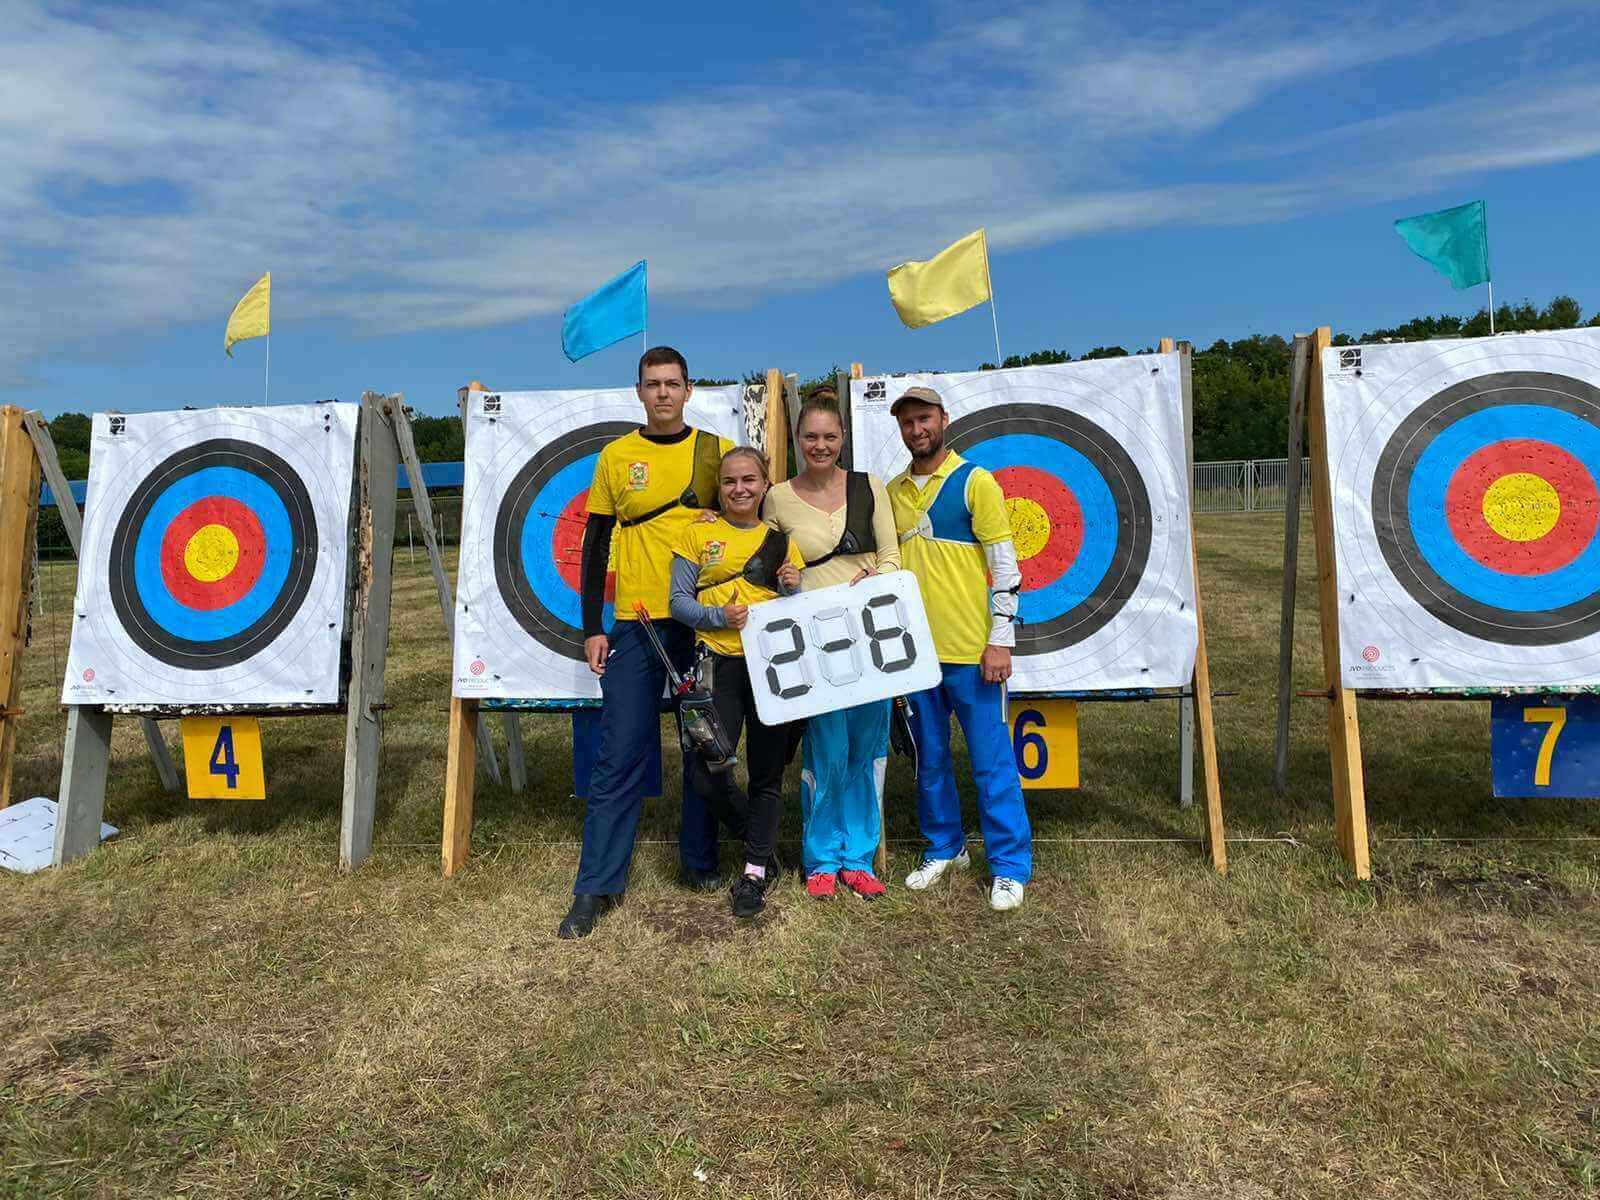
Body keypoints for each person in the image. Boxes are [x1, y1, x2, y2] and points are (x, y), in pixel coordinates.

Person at [559, 346, 735, 940]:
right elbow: (595, 543)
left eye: (672, 383)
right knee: (621, 752)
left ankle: (699, 864)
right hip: (636, 622)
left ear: (689, 390)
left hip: (700, 621)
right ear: (639, 392)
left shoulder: (713, 452)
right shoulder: (617, 456)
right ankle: (596, 885)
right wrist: (593, 625)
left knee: (703, 745)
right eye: (652, 384)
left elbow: (746, 521)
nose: (663, 393)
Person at [887, 385, 1032, 911]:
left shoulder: (976, 482)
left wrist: (1000, 642)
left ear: (944, 419)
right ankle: (945, 847)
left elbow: (1006, 567)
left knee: (992, 762)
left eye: (925, 418)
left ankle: (1009, 866)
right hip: (915, 654)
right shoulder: (893, 491)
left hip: (972, 652)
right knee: (929, 759)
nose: (917, 429)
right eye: (908, 422)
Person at [761, 392, 900, 901]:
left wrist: (875, 578)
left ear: (842, 438)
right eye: (810, 437)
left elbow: (892, 556)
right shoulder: (777, 498)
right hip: (815, 644)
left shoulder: (869, 487)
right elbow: (765, 569)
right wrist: (784, 580)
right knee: (827, 749)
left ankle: (857, 857)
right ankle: (821, 858)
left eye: (829, 436)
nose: (820, 445)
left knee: (866, 748)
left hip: (869, 637)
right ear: (797, 440)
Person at [669, 447, 805, 918]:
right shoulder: (696, 535)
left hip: (770, 666)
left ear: (765, 485)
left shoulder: (781, 542)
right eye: (729, 481)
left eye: (749, 480)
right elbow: (677, 603)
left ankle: (753, 874)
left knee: (767, 773)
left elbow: (795, 608)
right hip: (716, 664)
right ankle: (759, 841)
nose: (740, 489)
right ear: (719, 487)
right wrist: (717, 617)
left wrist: (793, 586)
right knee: (707, 772)